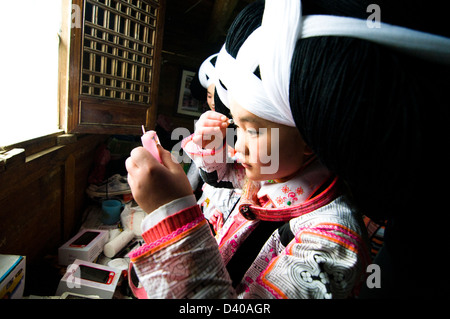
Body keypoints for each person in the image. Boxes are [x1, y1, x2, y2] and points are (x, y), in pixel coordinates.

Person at [126, 0, 450, 298]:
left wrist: (172, 218)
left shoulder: (330, 244)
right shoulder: (275, 171)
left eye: (252, 130)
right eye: (237, 127)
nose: (237, 146)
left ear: (310, 138)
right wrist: (211, 145)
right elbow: (225, 174)